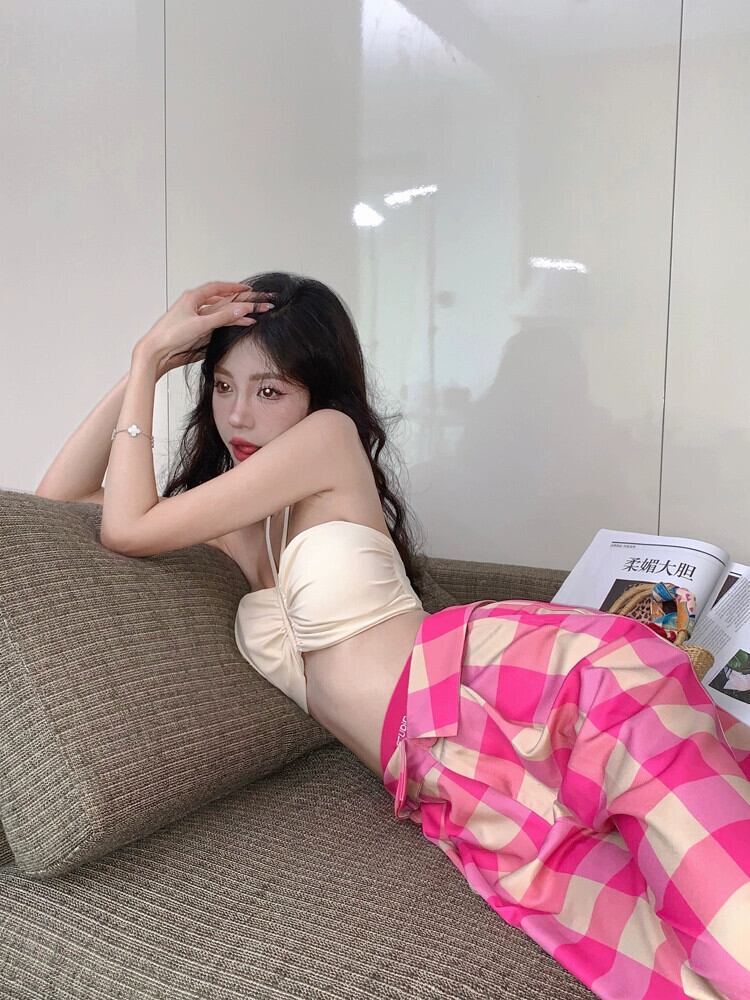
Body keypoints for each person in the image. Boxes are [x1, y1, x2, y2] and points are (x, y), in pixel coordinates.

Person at [40, 272, 750, 1000]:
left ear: (316, 393)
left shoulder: (327, 439)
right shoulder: (233, 523)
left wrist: (149, 357)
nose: (239, 415)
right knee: (643, 950)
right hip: (437, 767)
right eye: (222, 386)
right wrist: (151, 361)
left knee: (721, 888)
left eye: (269, 390)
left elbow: (127, 528)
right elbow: (55, 505)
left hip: (491, 678)